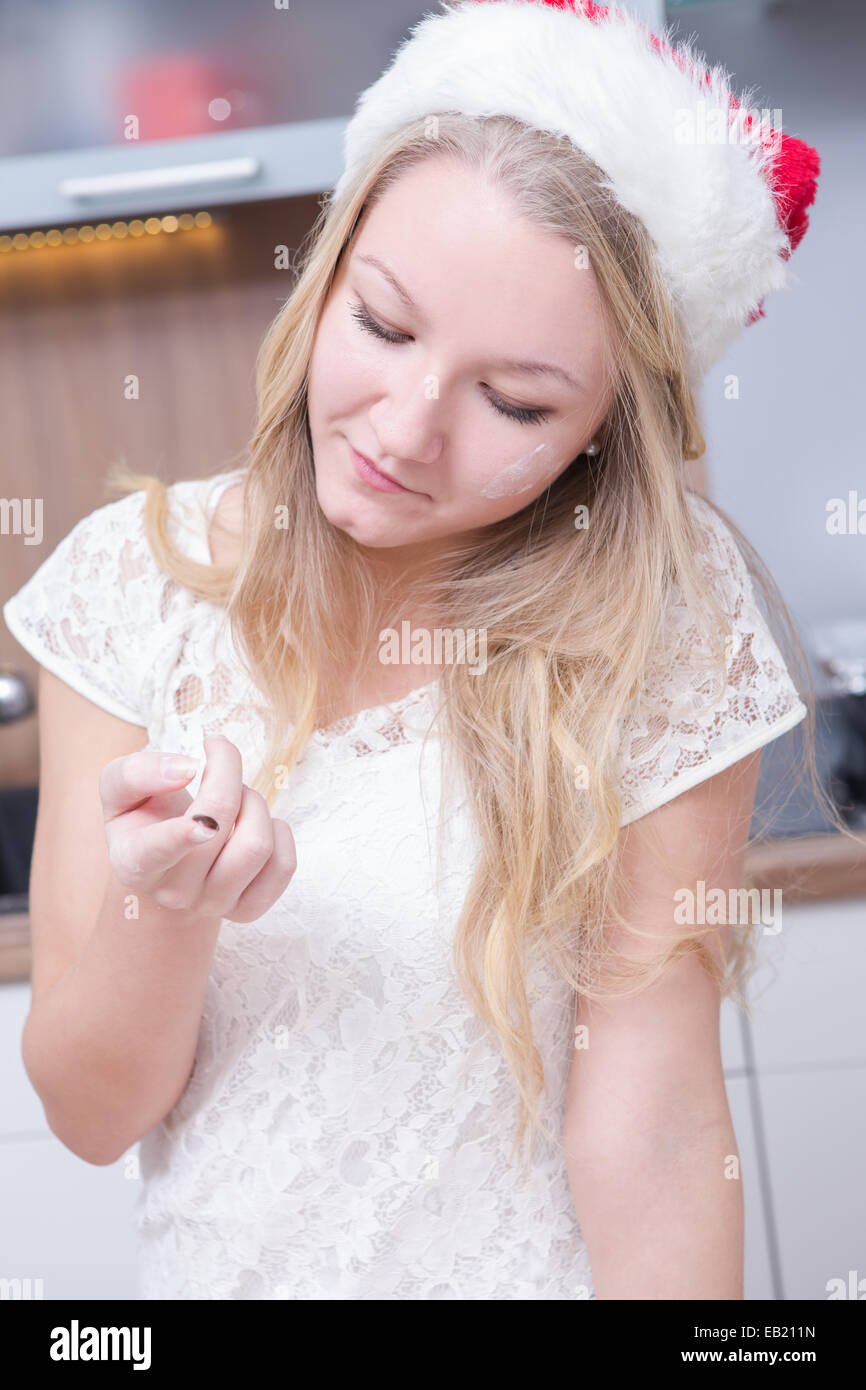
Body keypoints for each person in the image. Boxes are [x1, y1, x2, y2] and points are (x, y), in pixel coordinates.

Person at [2, 0, 841, 1300]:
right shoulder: (127, 587)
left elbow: (654, 1128)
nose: (405, 426)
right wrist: (164, 909)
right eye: (385, 326)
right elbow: (92, 1113)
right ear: (328, 273)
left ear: (603, 434)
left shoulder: (658, 623)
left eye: (513, 400)